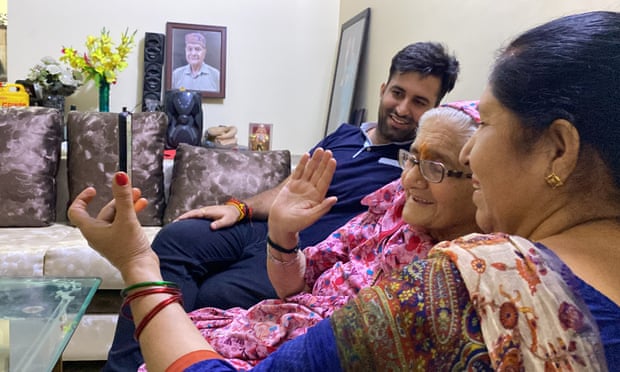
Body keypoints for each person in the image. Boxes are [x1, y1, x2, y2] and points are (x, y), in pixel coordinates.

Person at [69, 10, 620, 371]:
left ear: (558, 150)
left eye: (490, 126)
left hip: (293, 298)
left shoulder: (464, 279)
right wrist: (259, 216)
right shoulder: (358, 154)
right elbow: (294, 207)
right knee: (183, 237)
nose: (475, 157)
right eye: (412, 160)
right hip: (281, 244)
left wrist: (134, 263)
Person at [100, 41, 460, 371]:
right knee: (176, 238)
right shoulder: (347, 135)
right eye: (398, 93)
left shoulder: (412, 166)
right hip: (265, 228)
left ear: (434, 110)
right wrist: (239, 209)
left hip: (304, 251)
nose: (402, 109)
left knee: (216, 293)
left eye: (419, 102)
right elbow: (290, 188)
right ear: (383, 89)